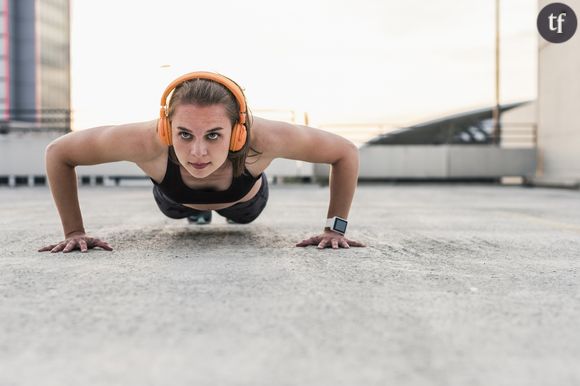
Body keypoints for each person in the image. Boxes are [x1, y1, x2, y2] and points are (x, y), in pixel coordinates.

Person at [38, 71, 365, 253]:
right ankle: (197, 215)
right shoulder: (145, 140)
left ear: (238, 133)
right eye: (183, 134)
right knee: (184, 212)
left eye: (212, 135)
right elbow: (59, 153)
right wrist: (74, 231)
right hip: (175, 202)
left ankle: (212, 214)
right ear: (166, 128)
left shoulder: (265, 138)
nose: (197, 153)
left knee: (243, 218)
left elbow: (345, 152)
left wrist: (334, 230)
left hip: (245, 205)